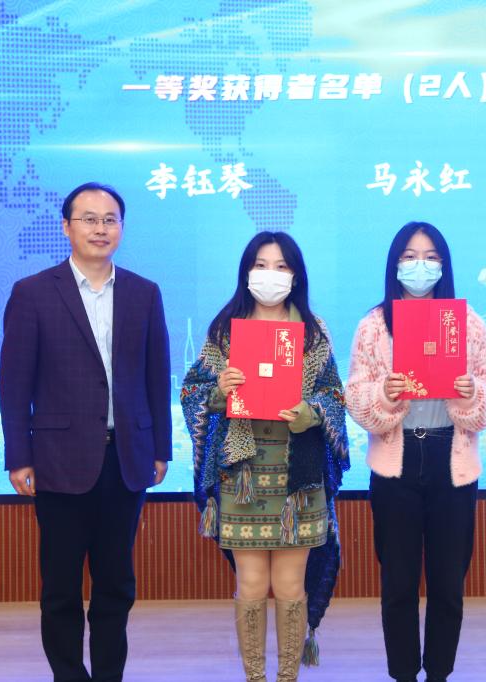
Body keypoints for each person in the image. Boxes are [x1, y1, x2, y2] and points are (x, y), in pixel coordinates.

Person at [0, 182, 172, 682]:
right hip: (57, 461)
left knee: (116, 585)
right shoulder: (33, 293)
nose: (101, 228)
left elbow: (156, 376)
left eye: (110, 219)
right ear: (66, 227)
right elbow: (14, 383)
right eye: (89, 219)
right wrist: (19, 455)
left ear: (121, 228)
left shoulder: (144, 293)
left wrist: (160, 447)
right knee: (60, 588)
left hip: (126, 458)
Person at [181, 232, 350, 682]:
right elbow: (192, 390)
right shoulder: (225, 329)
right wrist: (219, 392)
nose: (270, 275)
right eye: (260, 265)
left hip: (299, 478)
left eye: (281, 266)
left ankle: (287, 678)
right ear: (246, 272)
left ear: (295, 276)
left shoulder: (313, 332)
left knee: (291, 585)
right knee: (252, 584)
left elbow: (335, 396)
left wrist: (312, 413)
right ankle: (255, 678)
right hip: (243, 477)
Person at [345, 221, 486, 682]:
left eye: (431, 257)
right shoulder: (374, 325)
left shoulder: (469, 324)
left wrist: (471, 393)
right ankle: (403, 674)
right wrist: (384, 394)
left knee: (448, 584)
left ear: (444, 265)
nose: (420, 265)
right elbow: (355, 396)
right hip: (396, 465)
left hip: (451, 461)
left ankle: (438, 674)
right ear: (394, 265)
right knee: (398, 584)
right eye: (410, 256)